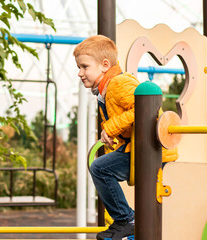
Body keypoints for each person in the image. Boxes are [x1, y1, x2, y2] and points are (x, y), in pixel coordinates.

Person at [73, 35, 138, 240]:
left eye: (84, 66)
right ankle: (124, 221)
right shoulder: (104, 91)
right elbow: (127, 124)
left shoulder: (118, 83)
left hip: (148, 150)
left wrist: (109, 128)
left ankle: (126, 220)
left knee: (100, 168)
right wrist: (114, 135)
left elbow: (145, 109)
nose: (80, 73)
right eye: (79, 67)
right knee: (101, 167)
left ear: (104, 65)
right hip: (135, 148)